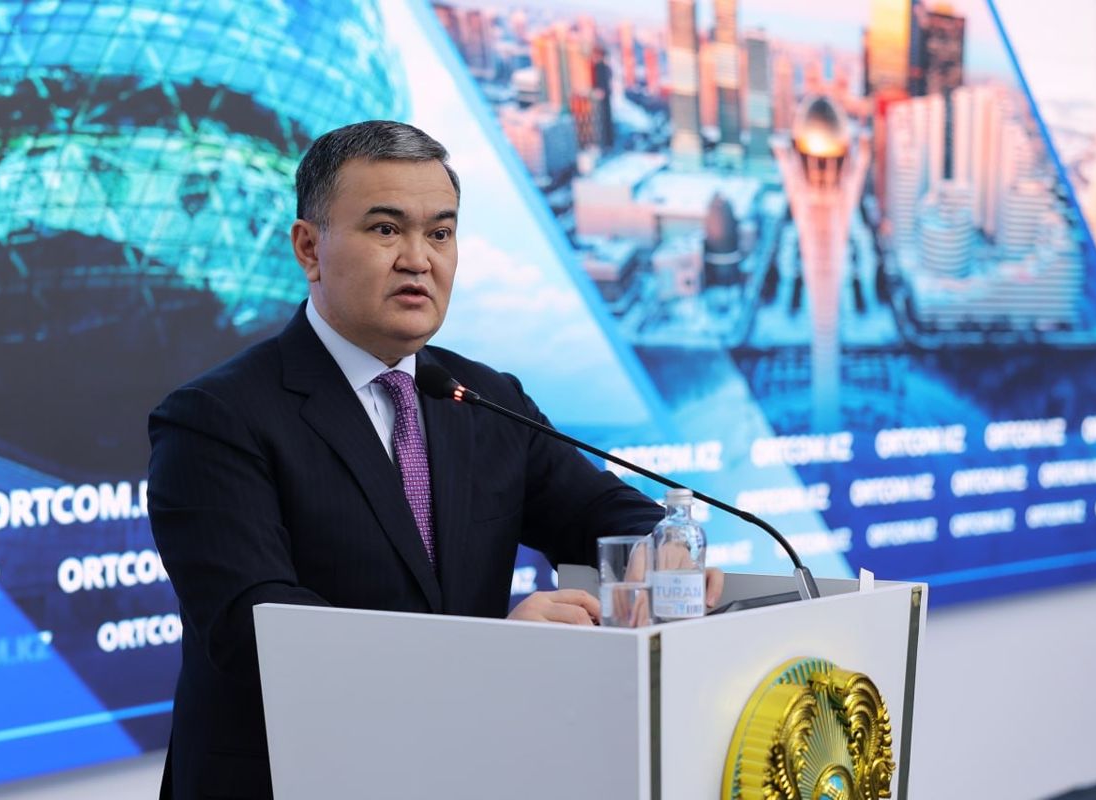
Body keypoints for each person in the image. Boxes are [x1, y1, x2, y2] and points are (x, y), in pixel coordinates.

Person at [147, 120, 722, 799]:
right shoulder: (214, 418)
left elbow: (600, 510)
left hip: (462, 771)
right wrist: (490, 653)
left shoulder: (482, 397)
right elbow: (261, 631)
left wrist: (663, 546)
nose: (418, 259)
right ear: (309, 248)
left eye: (441, 233)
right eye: (386, 229)